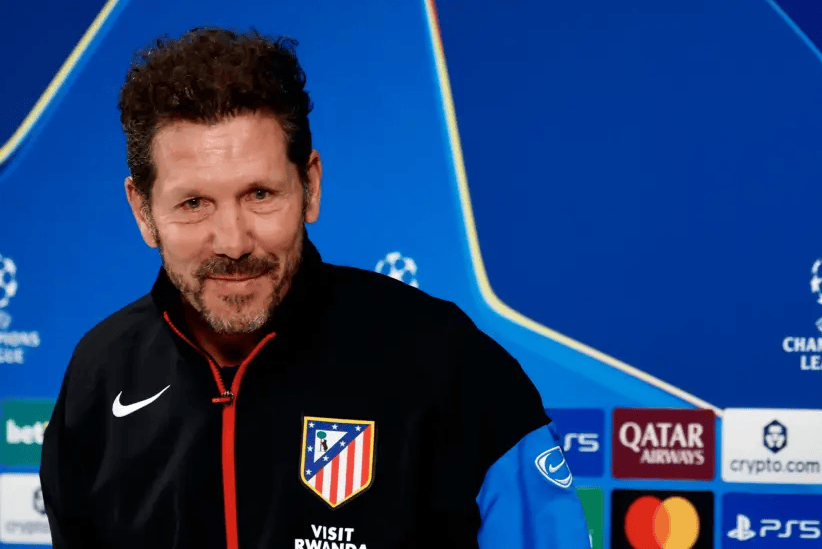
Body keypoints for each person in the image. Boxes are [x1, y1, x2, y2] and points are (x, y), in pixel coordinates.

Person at [39, 27, 591, 549]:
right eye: (194, 203)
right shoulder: (100, 376)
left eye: (259, 195)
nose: (232, 242)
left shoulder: (447, 362)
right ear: (143, 211)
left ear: (310, 186)